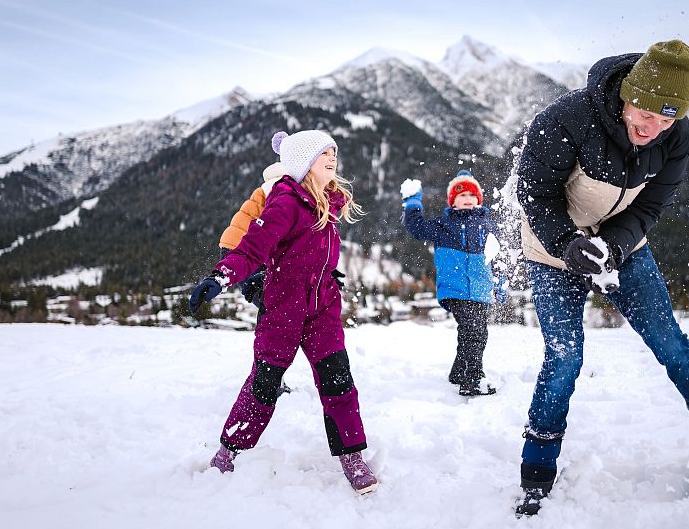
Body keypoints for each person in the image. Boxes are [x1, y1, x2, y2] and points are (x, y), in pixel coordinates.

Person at [513, 40, 689, 515]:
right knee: (564, 358)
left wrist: (615, 245)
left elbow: (650, 205)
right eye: (646, 115)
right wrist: (569, 243)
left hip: (621, 246)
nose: (653, 129)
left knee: (670, 342)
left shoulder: (676, 136)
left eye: (666, 121)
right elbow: (534, 193)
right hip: (552, 248)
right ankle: (536, 474)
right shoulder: (565, 120)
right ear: (627, 94)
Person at [189, 129, 378, 494]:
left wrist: (327, 277)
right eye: (324, 152)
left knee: (339, 381)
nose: (333, 157)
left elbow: (317, 254)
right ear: (305, 161)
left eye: (334, 152)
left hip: (322, 308)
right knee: (264, 383)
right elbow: (252, 247)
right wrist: (221, 276)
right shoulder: (286, 201)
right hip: (283, 310)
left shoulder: (330, 203)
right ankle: (229, 450)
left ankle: (352, 456)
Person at [401, 170, 503, 397]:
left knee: (473, 332)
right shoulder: (444, 225)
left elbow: (496, 258)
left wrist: (500, 283)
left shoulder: (487, 226)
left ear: (479, 198)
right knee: (474, 331)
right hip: (455, 289)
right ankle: (472, 378)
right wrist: (413, 203)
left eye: (471, 194)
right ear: (452, 201)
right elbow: (418, 229)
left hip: (480, 289)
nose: (467, 198)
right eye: (461, 195)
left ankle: (459, 372)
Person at [217, 161, 292, 397]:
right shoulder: (279, 184)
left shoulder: (271, 185)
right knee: (274, 313)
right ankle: (265, 381)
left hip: (239, 249)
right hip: (245, 254)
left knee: (273, 313)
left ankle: (268, 378)